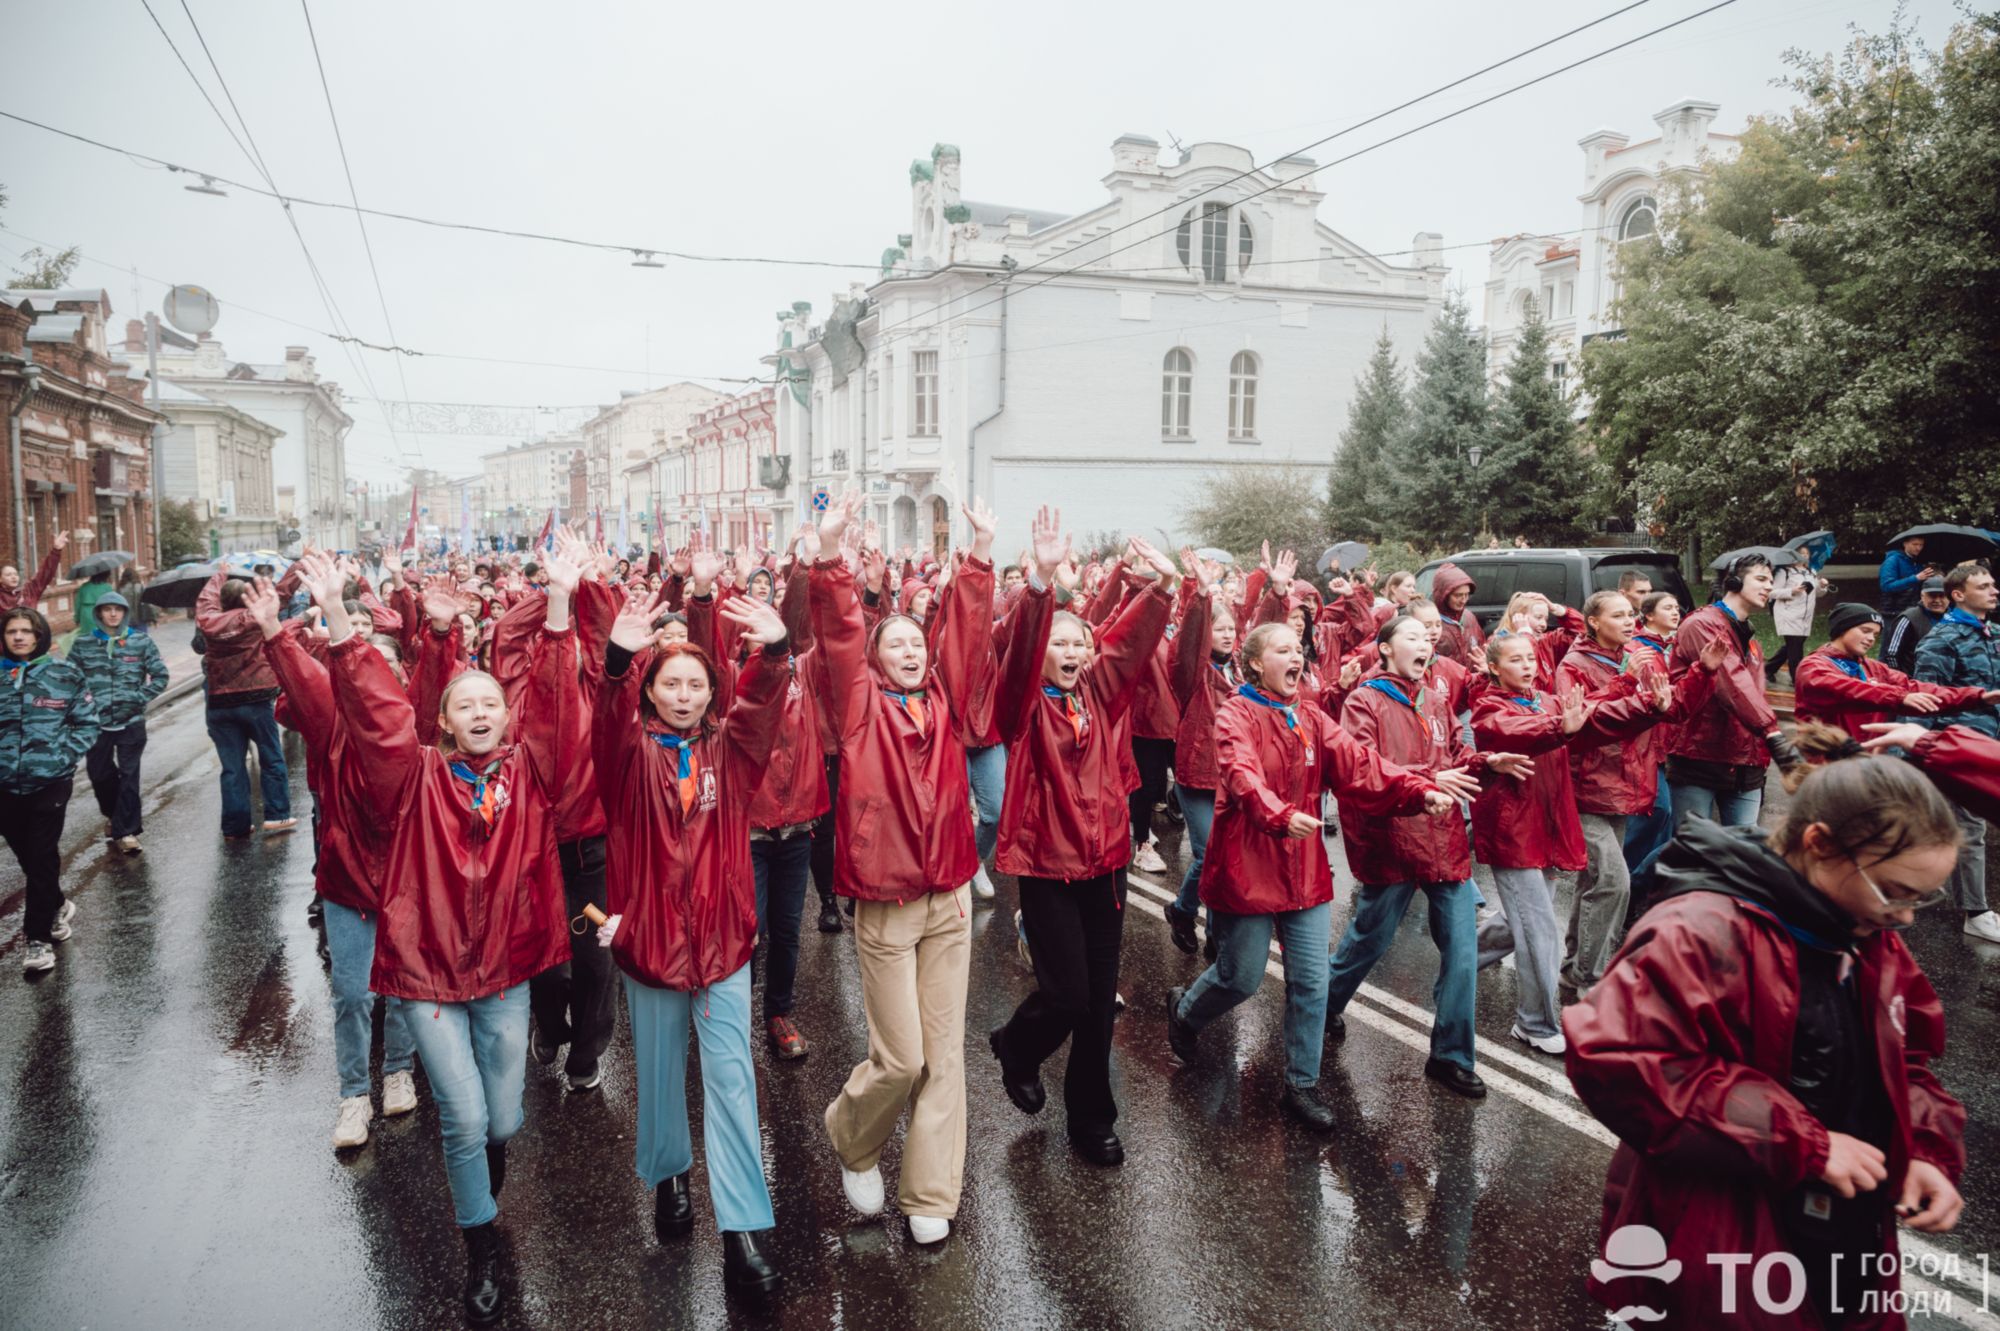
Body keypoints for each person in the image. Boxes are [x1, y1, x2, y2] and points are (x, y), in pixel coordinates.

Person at [1565, 739, 1967, 1329]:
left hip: (1848, 1233)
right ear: (1819, 845)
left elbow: (1906, 1062)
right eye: (1894, 891)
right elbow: (1622, 1059)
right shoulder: (1701, 929)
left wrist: (1925, 1148)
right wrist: (1806, 1143)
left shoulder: (1868, 936)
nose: (1905, 916)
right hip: (1724, 1231)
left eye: (1920, 898)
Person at [319, 544, 578, 1326]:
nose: (477, 711)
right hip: (429, 975)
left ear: (505, 715)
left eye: (490, 702)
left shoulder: (530, 771)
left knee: (502, 1119)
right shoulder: (415, 775)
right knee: (463, 1117)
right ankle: (481, 1243)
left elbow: (561, 703)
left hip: (505, 972)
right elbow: (373, 710)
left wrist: (560, 603)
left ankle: (485, 1178)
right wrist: (337, 617)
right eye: (462, 703)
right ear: (442, 719)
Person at [1166, 619, 1462, 1128]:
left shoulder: (1311, 715)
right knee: (1242, 977)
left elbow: (1362, 766)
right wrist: (1279, 816)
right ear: (1257, 663)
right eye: (1283, 650)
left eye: (1298, 649)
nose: (1297, 657)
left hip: (1303, 870)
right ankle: (1186, 1011)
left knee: (1312, 982)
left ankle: (1301, 1084)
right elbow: (1241, 776)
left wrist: (1419, 789)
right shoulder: (1234, 713)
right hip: (1249, 867)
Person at [592, 574, 791, 1299]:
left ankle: (740, 1230)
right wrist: (617, 661)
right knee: (660, 1070)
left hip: (724, 946)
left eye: (696, 685)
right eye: (669, 683)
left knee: (734, 1082)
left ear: (712, 693)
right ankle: (670, 1174)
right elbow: (605, 719)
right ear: (651, 692)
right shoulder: (626, 755)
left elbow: (763, 710)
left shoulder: (731, 755)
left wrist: (774, 651)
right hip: (649, 947)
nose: (684, 694)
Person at [811, 491, 997, 1248]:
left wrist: (982, 555)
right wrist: (831, 557)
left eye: (917, 640)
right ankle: (853, 1137)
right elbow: (840, 634)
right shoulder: (859, 704)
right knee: (903, 1056)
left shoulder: (944, 701)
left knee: (944, 1057)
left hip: (948, 897)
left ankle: (929, 1192)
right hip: (885, 904)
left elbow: (966, 637)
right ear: (877, 660)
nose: (911, 649)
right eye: (896, 643)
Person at [987, 514, 1174, 1166]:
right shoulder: (1021, 700)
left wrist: (1165, 585)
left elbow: (1128, 644)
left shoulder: (1097, 690)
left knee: (1098, 1002)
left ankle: (1092, 1118)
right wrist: (1040, 583)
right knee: (1065, 995)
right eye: (1058, 644)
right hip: (1044, 864)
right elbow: (1018, 649)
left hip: (1107, 863)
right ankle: (1016, 1044)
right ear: (1041, 651)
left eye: (1079, 644)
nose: (1071, 652)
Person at [1324, 615, 1532, 1099]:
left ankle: (1451, 1057)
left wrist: (1486, 761)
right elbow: (1363, 767)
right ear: (1385, 650)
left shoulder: (1436, 700)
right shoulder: (1365, 700)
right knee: (1368, 943)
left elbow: (1456, 756)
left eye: (1427, 638)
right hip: (1393, 839)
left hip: (1444, 839)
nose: (1425, 643)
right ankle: (1319, 1006)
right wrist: (1428, 779)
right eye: (1412, 637)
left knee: (1461, 954)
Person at [246, 577, 420, 1150]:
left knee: (400, 989)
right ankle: (352, 1095)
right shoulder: (331, 731)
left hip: (405, 884)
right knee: (351, 991)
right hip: (347, 881)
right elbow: (306, 685)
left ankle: (397, 1068)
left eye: (384, 671)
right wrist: (277, 628)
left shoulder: (411, 736)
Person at [1476, 631, 1679, 1050]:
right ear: (1495, 668)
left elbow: (1598, 717)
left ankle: (1460, 962)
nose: (1528, 666)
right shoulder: (1488, 706)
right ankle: (1534, 1023)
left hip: (1547, 827)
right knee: (1539, 930)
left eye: (1530, 658)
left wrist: (1647, 706)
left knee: (1521, 925)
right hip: (1513, 833)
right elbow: (1517, 730)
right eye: (1516, 660)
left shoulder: (1547, 701)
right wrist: (1559, 726)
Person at [685, 543, 831, 1061]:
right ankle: (731, 1017)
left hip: (795, 831)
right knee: (753, 928)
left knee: (789, 931)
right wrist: (702, 593)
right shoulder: (731, 683)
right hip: (748, 829)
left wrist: (810, 566)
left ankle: (778, 1013)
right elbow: (700, 651)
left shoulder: (806, 674)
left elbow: (812, 626)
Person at [1554, 592, 1721, 995]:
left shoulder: (1640, 655)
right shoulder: (1573, 665)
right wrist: (1629, 683)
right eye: (1618, 615)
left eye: (1631, 614)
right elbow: (1586, 721)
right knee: (1615, 882)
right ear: (1593, 621)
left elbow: (1672, 707)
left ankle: (1572, 968)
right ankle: (1590, 978)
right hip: (1585, 786)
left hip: (1626, 783)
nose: (1630, 622)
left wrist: (1702, 671)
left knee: (1595, 882)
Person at [1663, 554, 1802, 830]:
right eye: (1761, 579)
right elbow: (1731, 682)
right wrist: (1772, 733)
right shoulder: (1701, 624)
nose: (1769, 587)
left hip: (1746, 763)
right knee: (1694, 850)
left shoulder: (1750, 640)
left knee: (1744, 851)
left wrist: (1762, 747)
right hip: (1700, 759)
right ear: (1734, 581)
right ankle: (1644, 875)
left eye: (1771, 581)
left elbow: (1754, 695)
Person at [1, 607, 98, 975]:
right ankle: (56, 903)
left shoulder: (64, 673)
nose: (20, 637)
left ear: (40, 635)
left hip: (50, 782)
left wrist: (62, 758)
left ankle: (37, 939)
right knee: (29, 858)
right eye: (13, 631)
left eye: (27, 631)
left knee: (41, 857)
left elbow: (87, 723)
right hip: (5, 786)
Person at [1913, 562, 2000, 943]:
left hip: (1991, 744)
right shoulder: (1941, 639)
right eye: (1984, 586)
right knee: (1970, 827)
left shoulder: (1994, 634)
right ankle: (1976, 912)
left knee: (1957, 828)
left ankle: (1927, 887)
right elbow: (1925, 700)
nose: (1994, 590)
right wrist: (1921, 753)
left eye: (1993, 584)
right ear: (1958, 595)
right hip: (1958, 746)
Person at [1163, 551, 1238, 956]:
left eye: (1233, 629)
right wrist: (1202, 596)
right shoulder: (1194, 672)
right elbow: (1189, 641)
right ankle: (1183, 908)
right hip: (1198, 774)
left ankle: (1214, 931)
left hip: (1234, 776)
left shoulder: (1241, 670)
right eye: (1220, 628)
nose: (1228, 635)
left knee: (1227, 857)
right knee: (1207, 853)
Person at [1793, 602, 1995, 741]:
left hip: (1865, 763)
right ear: (1841, 630)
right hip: (1824, 767)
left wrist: (1979, 697)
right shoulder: (1813, 666)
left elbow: (1916, 688)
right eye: (1865, 630)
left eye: (1875, 634)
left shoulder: (1873, 667)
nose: (1872, 638)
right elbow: (1844, 689)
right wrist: (1898, 697)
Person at [196, 569, 296, 839]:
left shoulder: (208, 621)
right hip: (256, 698)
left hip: (220, 702)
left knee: (232, 767)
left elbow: (205, 600)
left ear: (222, 601)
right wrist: (300, 566)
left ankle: (235, 825)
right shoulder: (254, 618)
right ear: (246, 599)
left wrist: (218, 575)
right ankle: (277, 815)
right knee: (271, 757)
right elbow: (282, 594)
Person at [65, 591, 167, 853]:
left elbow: (160, 676)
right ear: (98, 614)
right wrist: (82, 707)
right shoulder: (83, 644)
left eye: (118, 609)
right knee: (99, 775)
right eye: (107, 609)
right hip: (95, 723)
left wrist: (138, 698)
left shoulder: (140, 642)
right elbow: (69, 680)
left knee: (130, 775)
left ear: (124, 612)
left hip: (131, 721)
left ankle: (128, 832)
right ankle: (114, 815)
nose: (112, 614)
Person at [1766, 560, 1823, 686]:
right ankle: (1797, 680)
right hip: (1788, 614)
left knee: (1792, 646)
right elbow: (1771, 592)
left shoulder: (1811, 572)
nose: (1804, 556)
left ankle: (1768, 669)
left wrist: (1822, 586)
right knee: (1796, 648)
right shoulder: (1784, 572)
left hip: (1805, 617)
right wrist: (1791, 591)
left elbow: (1816, 593)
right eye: (1801, 553)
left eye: (1807, 554)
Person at [1886, 576, 1950, 675]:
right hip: (1914, 682)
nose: (1937, 600)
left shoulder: (1954, 619)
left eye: (1942, 596)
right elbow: (1891, 654)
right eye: (1932, 596)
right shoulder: (1908, 619)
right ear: (1922, 596)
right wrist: (1903, 680)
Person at [1428, 562, 1485, 666]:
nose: (1463, 600)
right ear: (1443, 595)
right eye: (1458, 595)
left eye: (1467, 594)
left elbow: (1481, 647)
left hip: (1472, 680)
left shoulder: (1469, 617)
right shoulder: (1431, 621)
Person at [0, 529, 67, 613]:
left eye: (15, 574)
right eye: (8, 575)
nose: (13, 577)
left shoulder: (28, 591)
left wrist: (56, 550)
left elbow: (45, 574)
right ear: (1, 579)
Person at [1877, 534, 1937, 624]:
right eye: (1915, 544)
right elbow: (1887, 586)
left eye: (1921, 545)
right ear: (1905, 544)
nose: (1918, 548)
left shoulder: (1918, 562)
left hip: (1914, 610)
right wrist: (1916, 578)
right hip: (1893, 612)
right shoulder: (1893, 560)